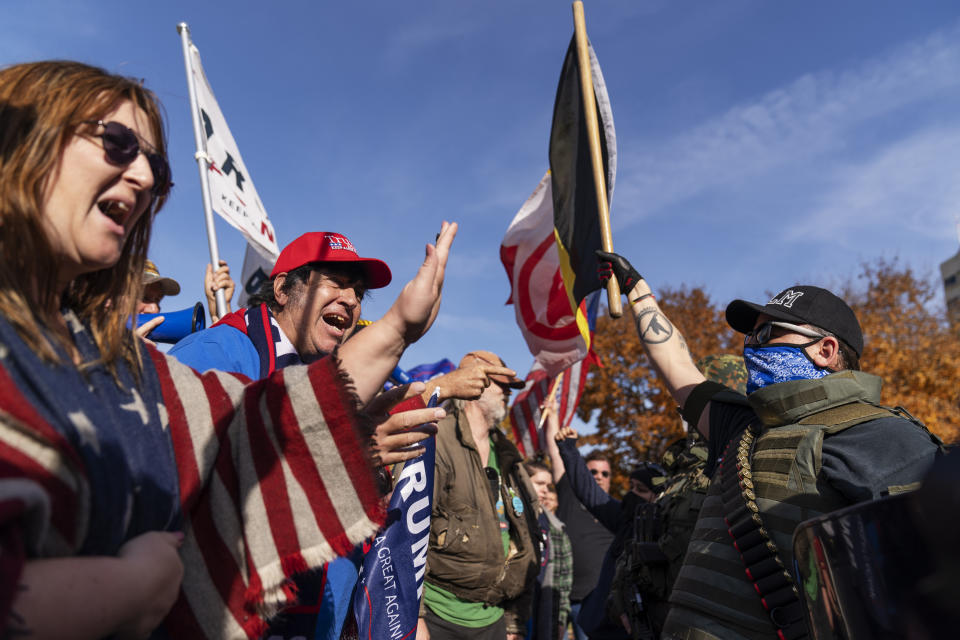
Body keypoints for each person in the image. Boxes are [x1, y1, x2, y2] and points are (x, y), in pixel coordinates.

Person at [0, 59, 456, 639]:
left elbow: (253, 437)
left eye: (155, 166)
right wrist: (133, 590)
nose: (141, 177)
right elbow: (206, 491)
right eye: (116, 143)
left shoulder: (111, 363)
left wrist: (394, 336)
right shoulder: (224, 347)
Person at [595, 250, 943, 640]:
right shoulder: (744, 429)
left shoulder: (882, 436)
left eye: (766, 334)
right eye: (750, 336)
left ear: (825, 350)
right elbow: (675, 364)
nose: (751, 348)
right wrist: (638, 293)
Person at [416, 351, 542, 640]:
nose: (508, 393)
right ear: (474, 384)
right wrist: (415, 616)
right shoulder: (437, 439)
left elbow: (527, 541)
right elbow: (408, 534)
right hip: (437, 618)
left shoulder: (510, 456)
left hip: (494, 621)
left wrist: (514, 624)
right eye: (502, 384)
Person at [524, 459, 573, 640]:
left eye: (548, 485)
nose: (545, 490)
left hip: (543, 606)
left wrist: (560, 619)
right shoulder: (510, 518)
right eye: (539, 484)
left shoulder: (553, 526)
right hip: (517, 609)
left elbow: (563, 579)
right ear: (522, 480)